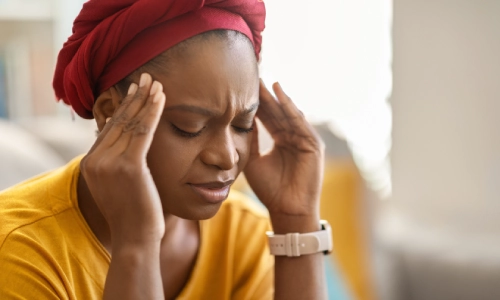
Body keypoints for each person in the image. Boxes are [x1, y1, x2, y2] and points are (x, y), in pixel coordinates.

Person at [0, 0, 328, 299]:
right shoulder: (18, 250)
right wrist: (137, 246)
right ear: (109, 112)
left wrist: (296, 222)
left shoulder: (243, 237)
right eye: (190, 127)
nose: (226, 157)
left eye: (243, 124)